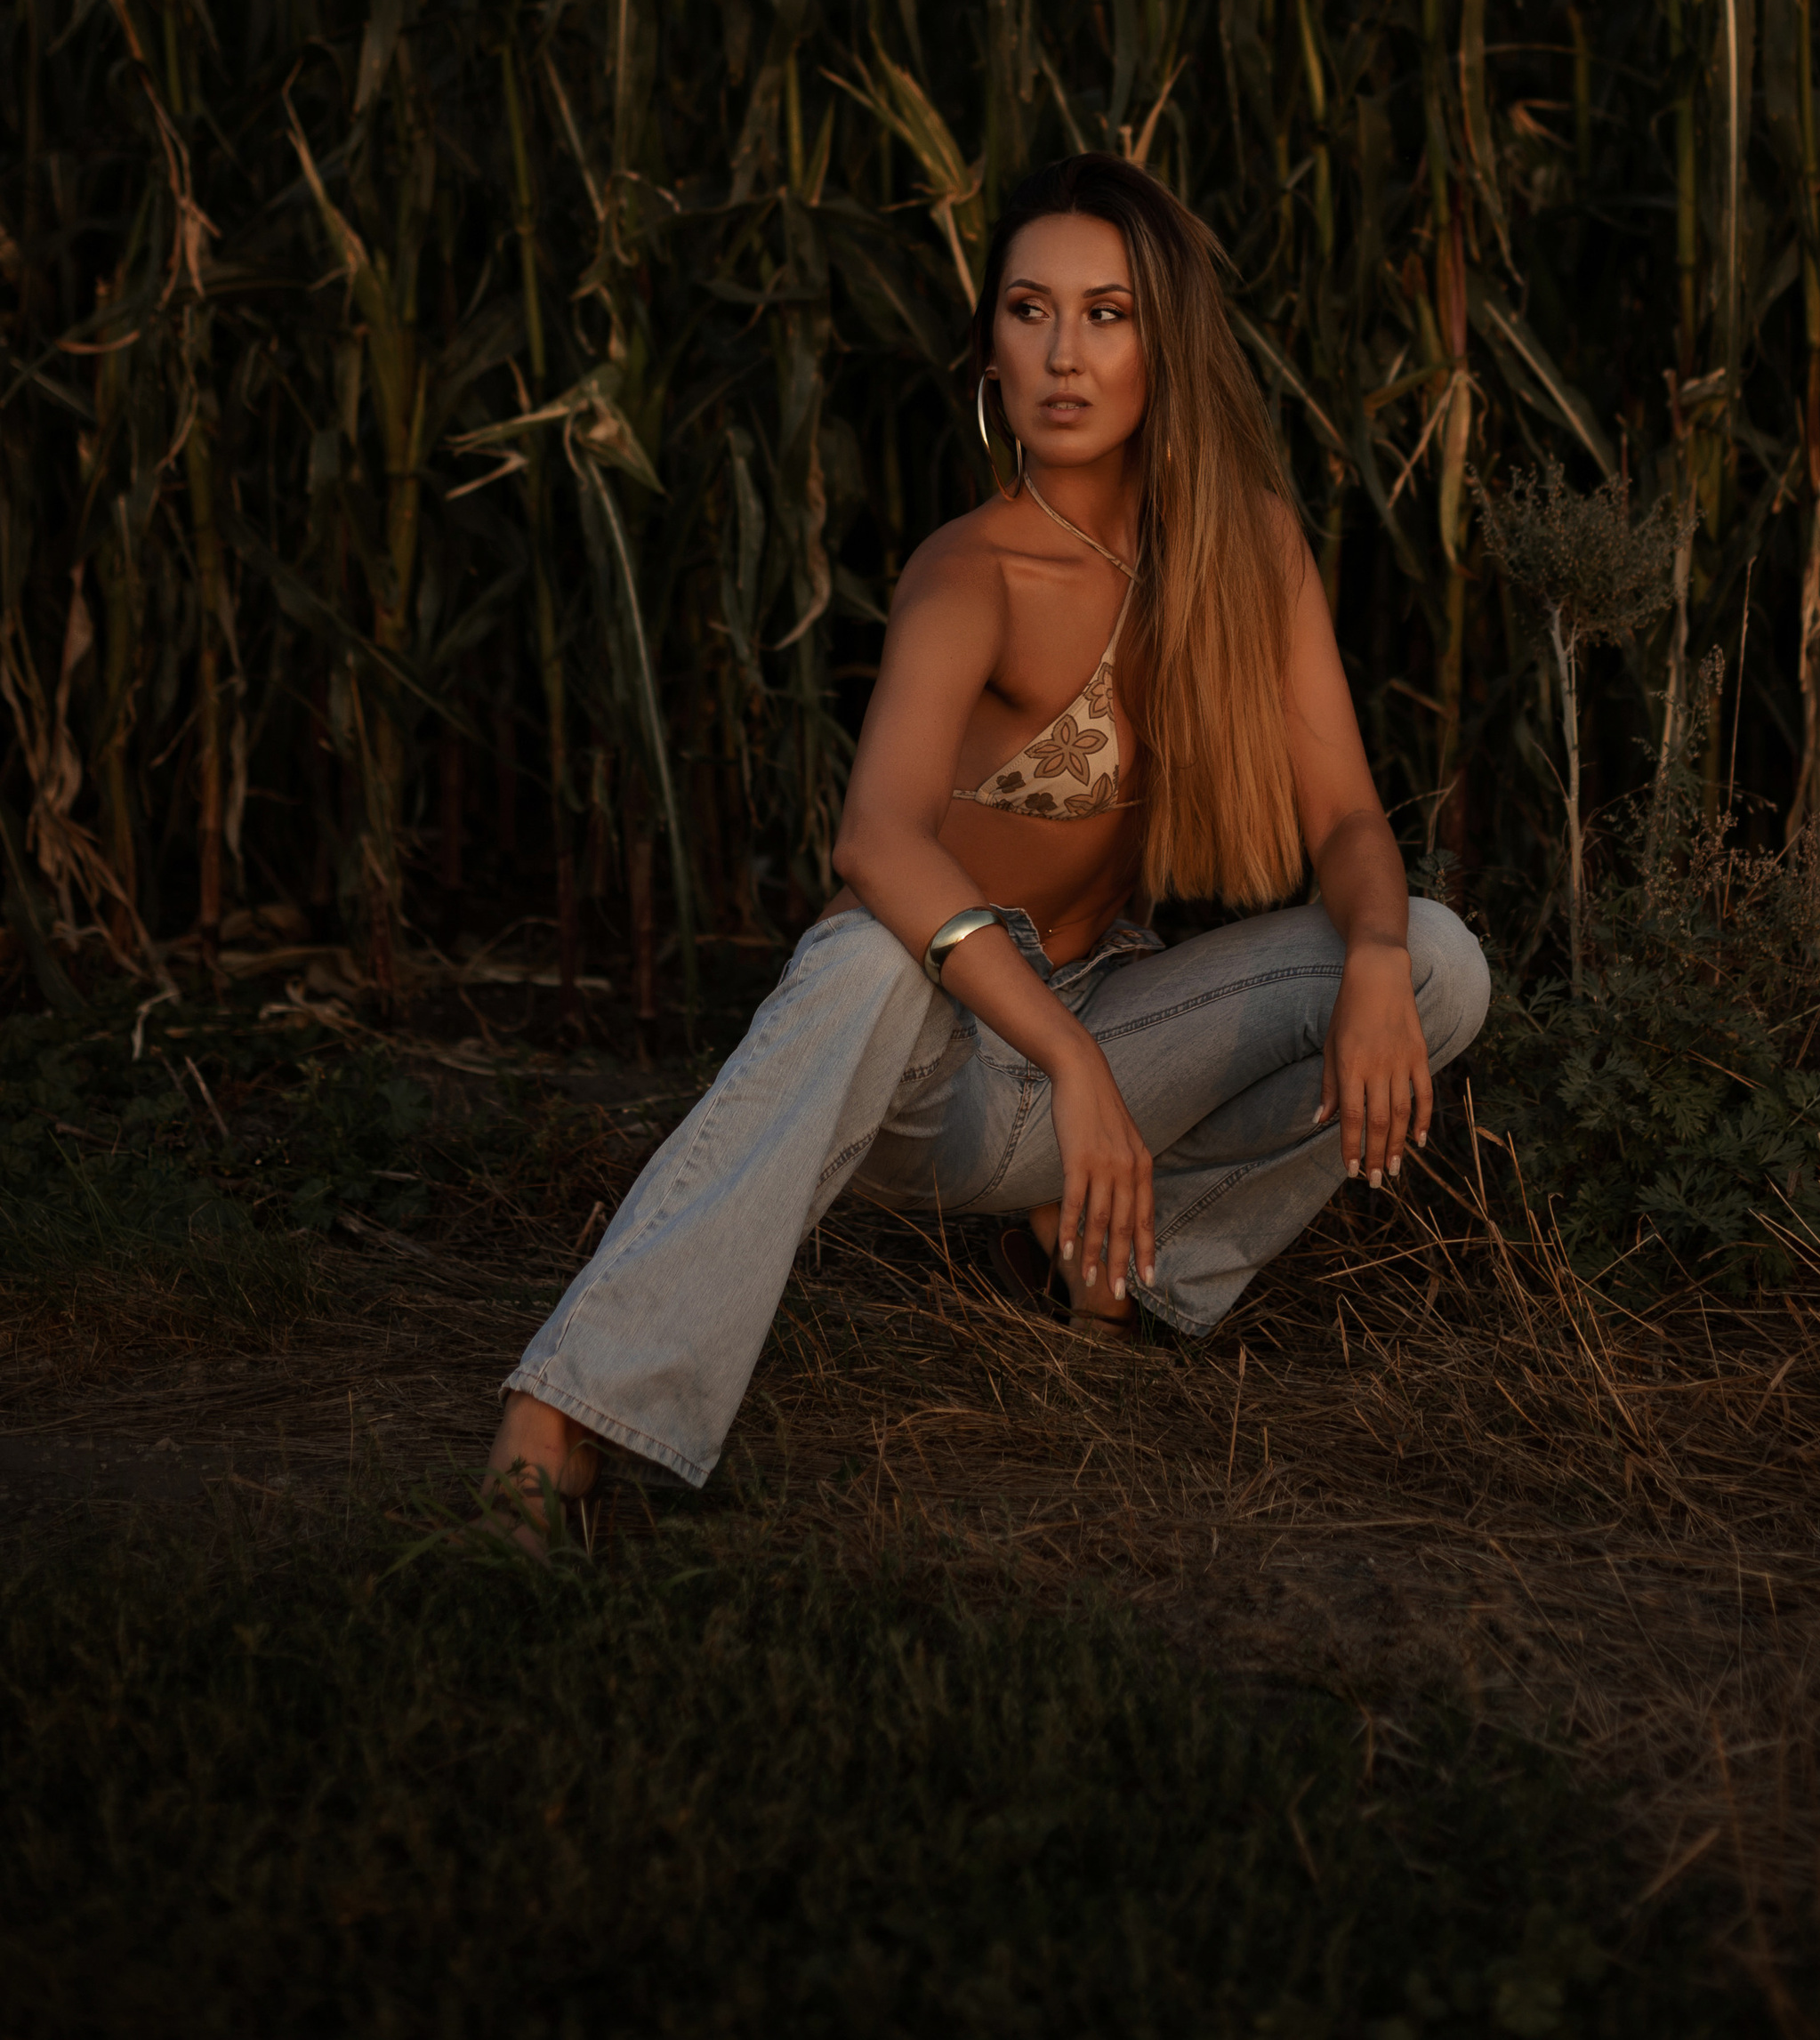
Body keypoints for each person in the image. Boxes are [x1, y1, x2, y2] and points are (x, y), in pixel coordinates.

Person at [483, 153, 1489, 1536]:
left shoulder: (1246, 547)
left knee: (1439, 960)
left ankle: (1113, 1251)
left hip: (1106, 1028)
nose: (1064, 355)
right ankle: (574, 1407)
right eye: (1029, 311)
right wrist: (1069, 1064)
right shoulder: (973, 570)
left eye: (1107, 314)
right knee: (864, 963)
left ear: (1165, 345)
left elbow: (1350, 822)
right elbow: (877, 839)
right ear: (990, 350)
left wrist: (1371, 951)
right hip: (932, 1074)